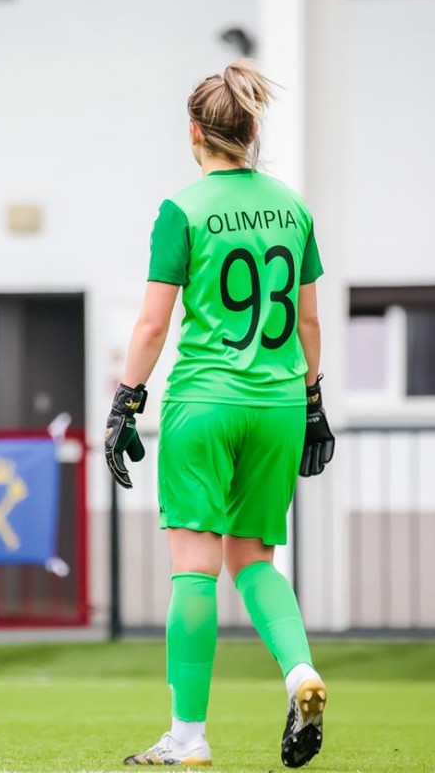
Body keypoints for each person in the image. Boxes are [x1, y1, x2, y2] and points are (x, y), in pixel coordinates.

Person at [104, 59, 336, 768]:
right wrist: (313, 400)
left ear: (195, 132)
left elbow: (152, 324)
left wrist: (124, 402)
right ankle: (299, 672)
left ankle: (188, 737)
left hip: (204, 402)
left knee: (195, 569)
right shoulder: (293, 208)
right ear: (253, 131)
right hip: (279, 405)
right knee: (255, 561)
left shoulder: (182, 210)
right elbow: (309, 321)